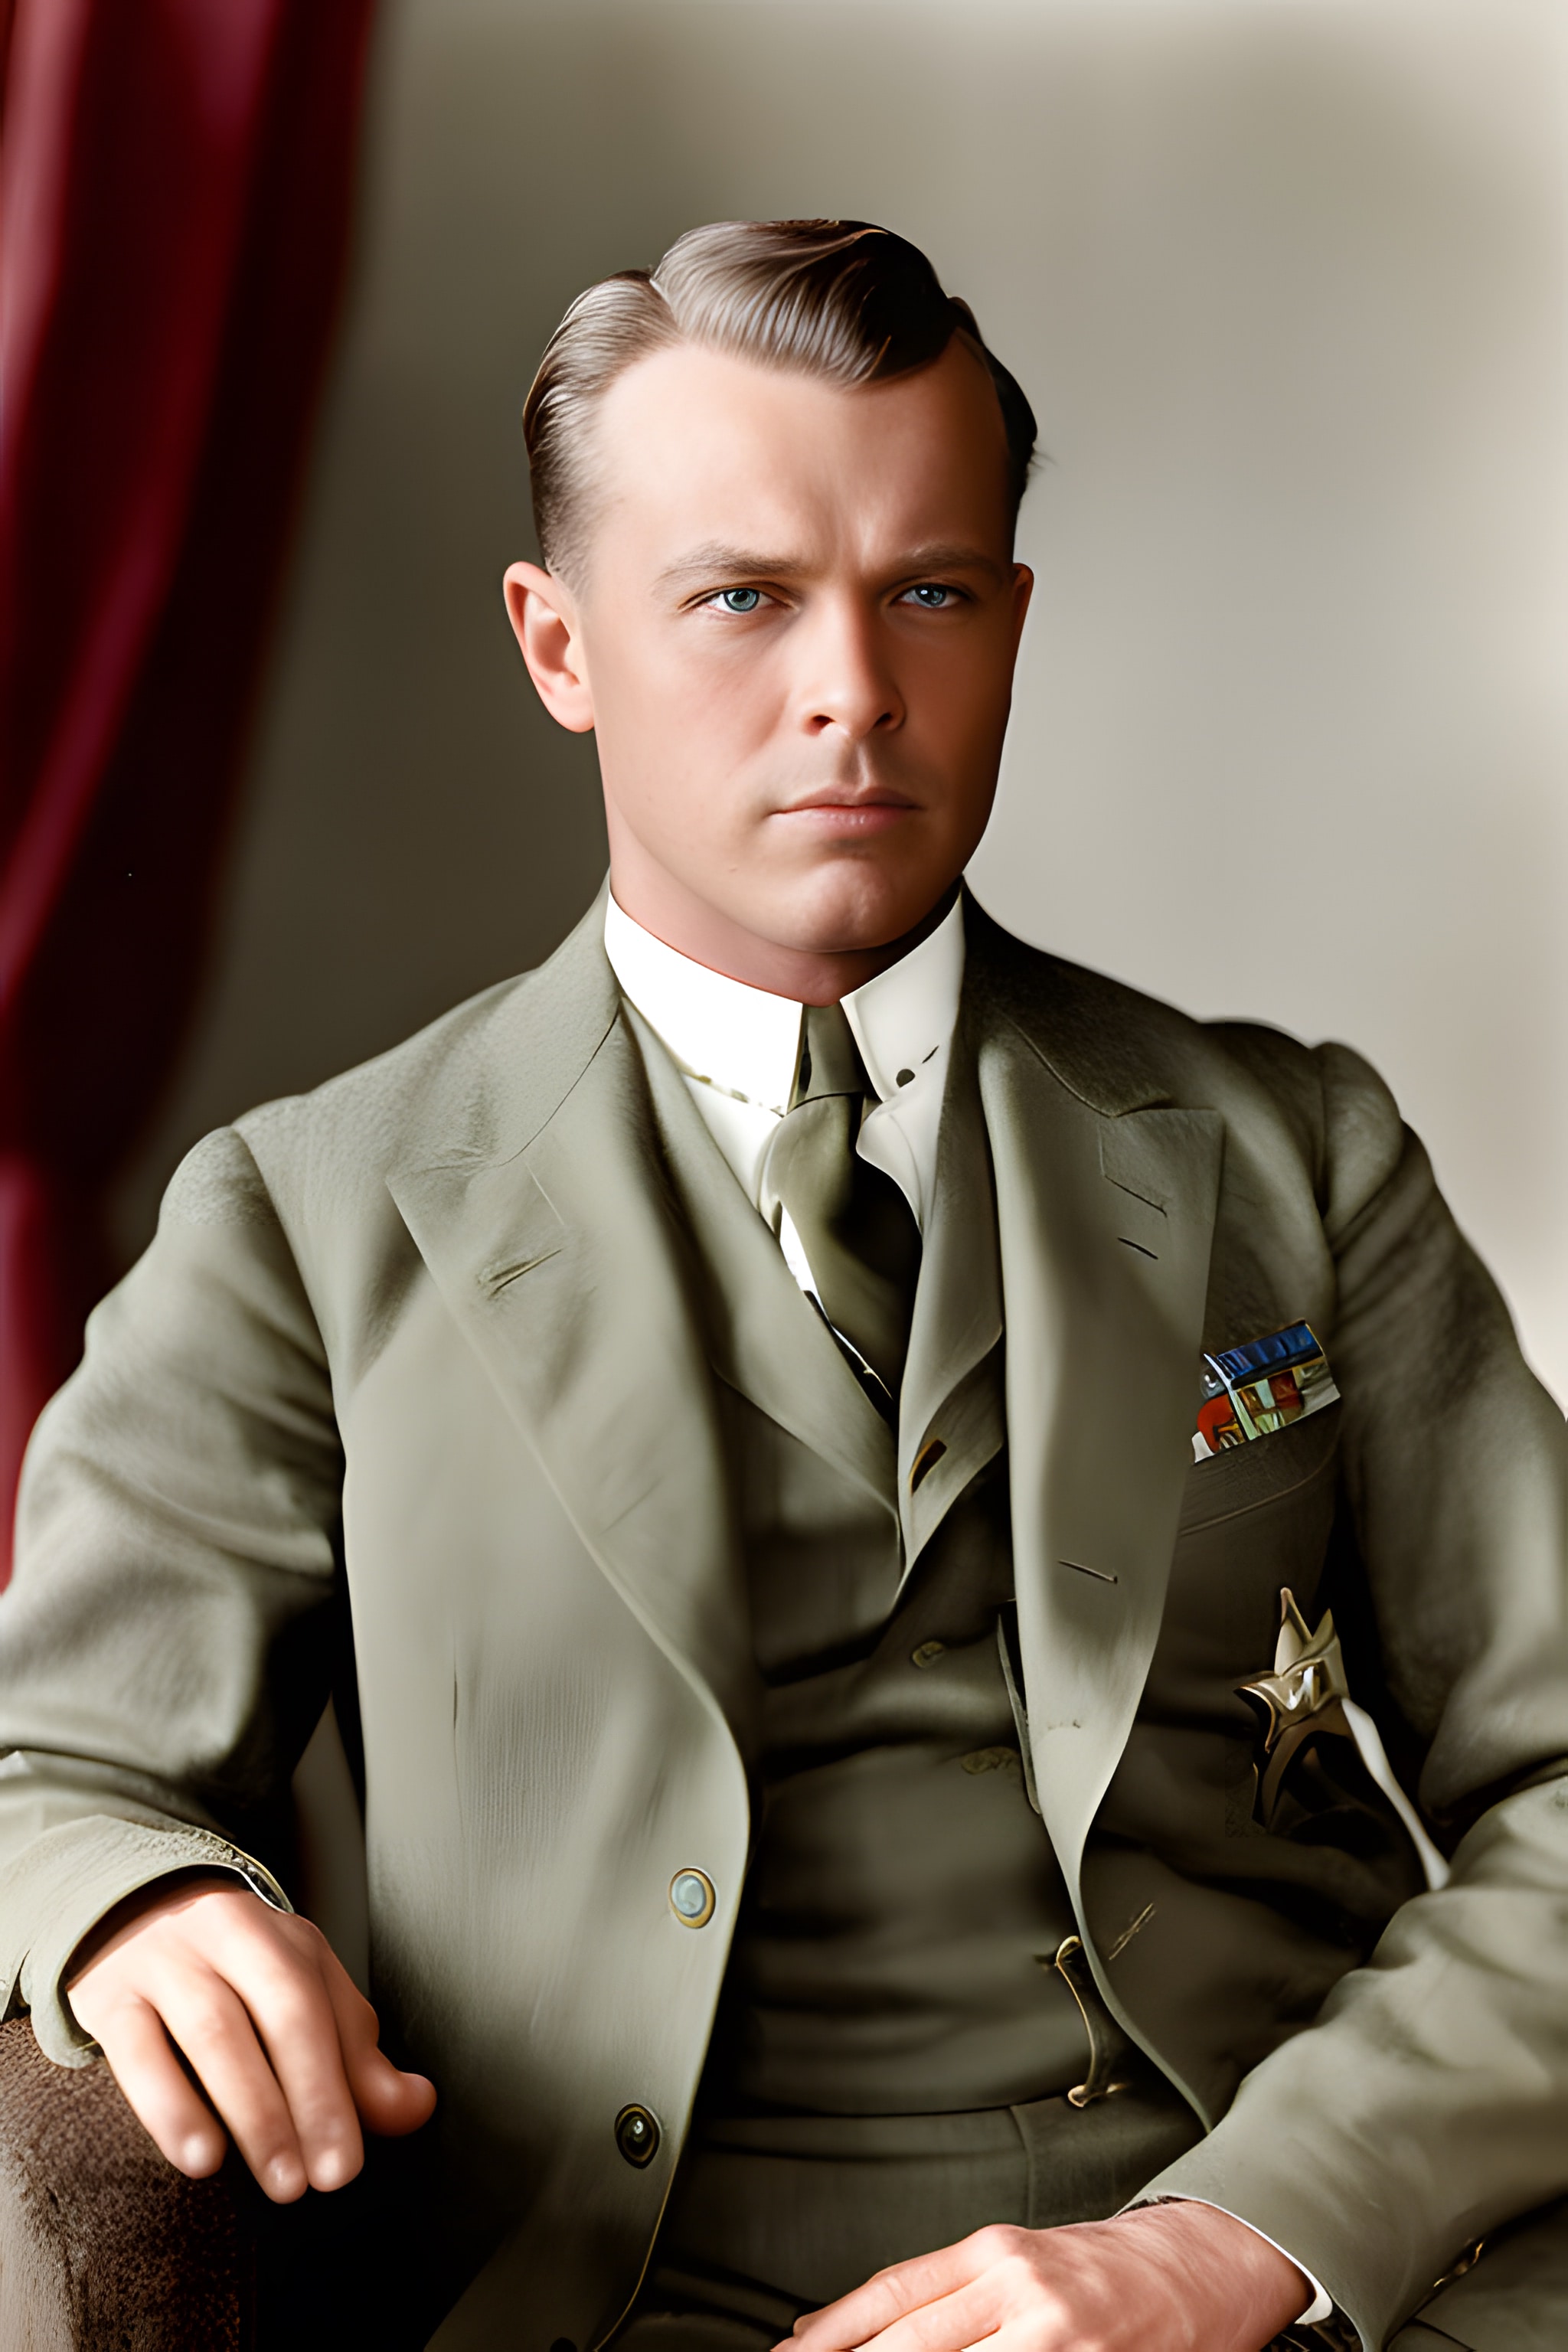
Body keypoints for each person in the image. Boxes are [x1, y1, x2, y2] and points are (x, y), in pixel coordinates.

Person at [2, 218, 1566, 2352]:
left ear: (1013, 625)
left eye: (929, 593)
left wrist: (1239, 2241)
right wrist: (141, 1903)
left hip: (1305, 2287)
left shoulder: (1298, 1153)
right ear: (559, 647)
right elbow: (45, 1761)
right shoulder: (312, 1218)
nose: (852, 687)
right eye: (741, 598)